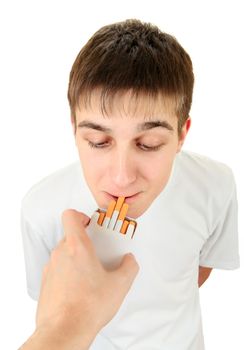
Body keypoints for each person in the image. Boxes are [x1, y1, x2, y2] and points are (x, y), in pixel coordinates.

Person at [21, 19, 240, 349]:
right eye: (98, 141)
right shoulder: (40, 209)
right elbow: (51, 308)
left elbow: (202, 268)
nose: (122, 177)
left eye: (149, 144)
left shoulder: (215, 185)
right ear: (74, 128)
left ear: (182, 134)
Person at [19, 209, 139, 349]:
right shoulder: (38, 210)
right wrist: (67, 324)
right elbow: (37, 292)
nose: (122, 185)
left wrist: (54, 328)